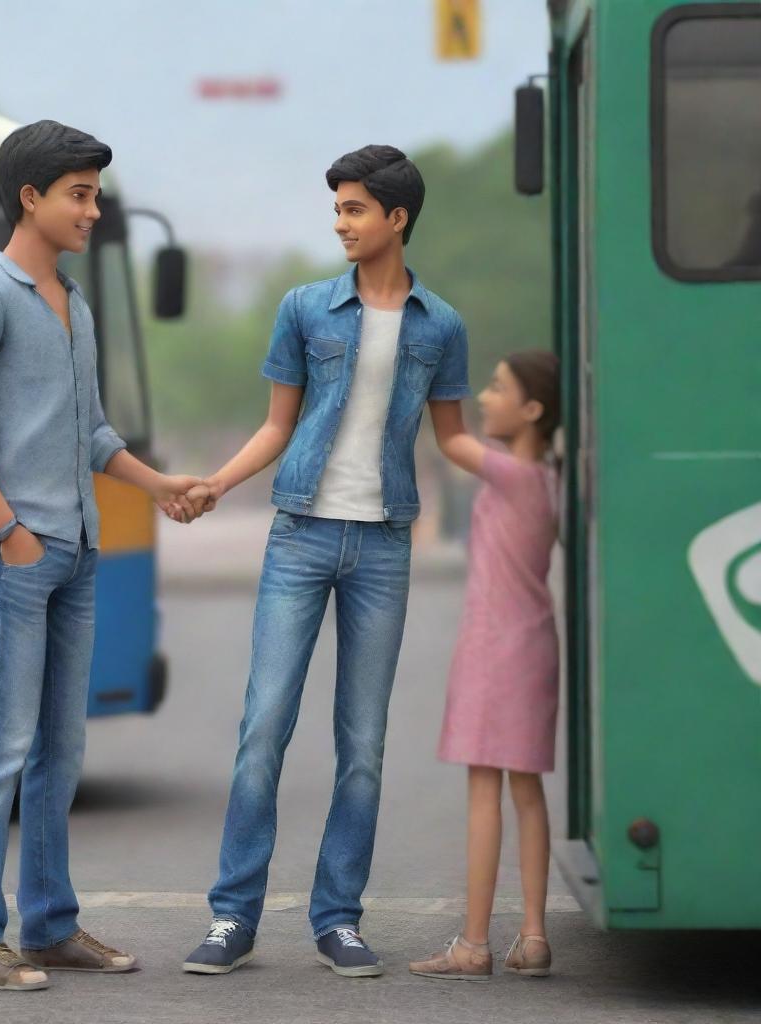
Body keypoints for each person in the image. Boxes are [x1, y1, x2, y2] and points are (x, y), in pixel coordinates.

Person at [0, 119, 206, 992]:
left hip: (77, 551)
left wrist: (156, 483)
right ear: (31, 197)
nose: (93, 208)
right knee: (1, 747)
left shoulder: (73, 303)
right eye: (79, 194)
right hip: (15, 555)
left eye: (96, 193)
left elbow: (88, 431)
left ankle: (48, 926)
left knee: (60, 751)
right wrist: (8, 529)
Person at [178, 145, 471, 978]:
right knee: (263, 726)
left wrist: (540, 469)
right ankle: (232, 917)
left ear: (397, 218)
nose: (340, 223)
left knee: (364, 742)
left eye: (354, 209)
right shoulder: (307, 308)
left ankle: (337, 918)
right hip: (301, 534)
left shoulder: (439, 325)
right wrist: (215, 486)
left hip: (383, 543)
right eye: (338, 208)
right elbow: (277, 427)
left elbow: (452, 439)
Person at [408, 350, 561, 982]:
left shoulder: (513, 475)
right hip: (532, 644)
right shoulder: (547, 480)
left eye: (498, 389)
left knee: (483, 792)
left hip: (495, 649)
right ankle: (532, 935)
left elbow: (451, 436)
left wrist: (426, 365)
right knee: (525, 791)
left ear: (531, 411)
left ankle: (473, 944)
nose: (485, 397)